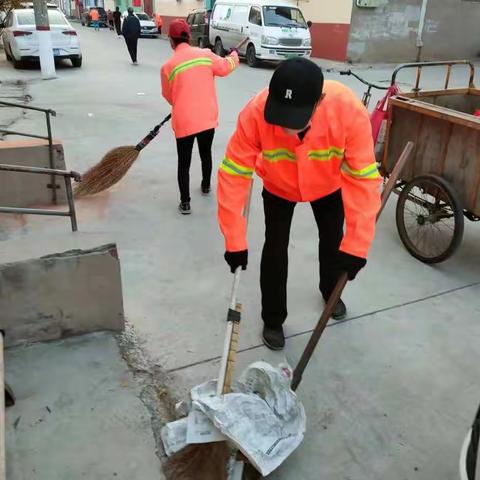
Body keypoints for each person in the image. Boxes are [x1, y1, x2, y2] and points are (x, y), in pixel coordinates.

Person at [217, 58, 381, 350]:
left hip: (328, 186)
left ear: (320, 101)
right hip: (279, 186)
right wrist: (234, 240)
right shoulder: (256, 111)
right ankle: (273, 318)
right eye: (281, 117)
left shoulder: (346, 109)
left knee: (334, 242)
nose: (287, 130)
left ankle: (331, 290)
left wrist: (358, 246)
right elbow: (233, 173)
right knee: (275, 249)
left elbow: (364, 179)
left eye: (296, 119)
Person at [161, 19, 240, 215]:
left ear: (171, 41)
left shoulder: (168, 66)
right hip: (206, 118)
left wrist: (180, 103)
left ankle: (185, 202)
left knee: (184, 162)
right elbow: (225, 67)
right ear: (189, 36)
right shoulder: (206, 55)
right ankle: (205, 186)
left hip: (184, 120)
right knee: (206, 153)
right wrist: (235, 56)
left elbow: (168, 96)